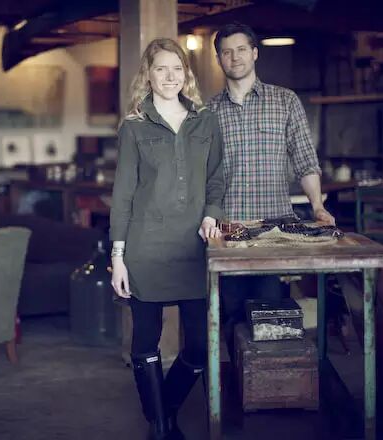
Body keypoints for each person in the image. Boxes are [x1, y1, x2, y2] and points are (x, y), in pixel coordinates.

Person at [109, 38, 225, 440]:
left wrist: (211, 214)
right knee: (146, 340)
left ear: (186, 74)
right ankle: (161, 427)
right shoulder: (134, 127)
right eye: (161, 68)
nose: (170, 76)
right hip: (146, 248)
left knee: (199, 346)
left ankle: (165, 408)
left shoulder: (206, 121)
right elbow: (123, 195)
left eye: (177, 68)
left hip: (194, 249)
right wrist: (118, 256)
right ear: (148, 74)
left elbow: (216, 178)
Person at [207, 23, 336, 361]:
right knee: (231, 314)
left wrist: (318, 207)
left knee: (270, 312)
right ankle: (242, 381)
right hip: (228, 232)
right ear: (219, 59)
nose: (234, 57)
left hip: (275, 231)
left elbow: (305, 160)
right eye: (226, 52)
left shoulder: (285, 101)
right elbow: (201, 173)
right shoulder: (209, 112)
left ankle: (273, 380)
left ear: (254, 53)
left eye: (241, 49)